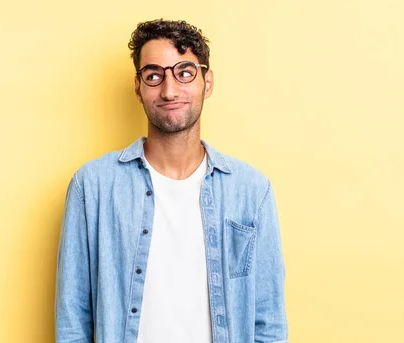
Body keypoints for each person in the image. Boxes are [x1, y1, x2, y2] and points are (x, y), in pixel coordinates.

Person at [55, 19, 288, 343]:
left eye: (184, 72)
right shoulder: (92, 187)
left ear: (207, 82)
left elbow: (269, 321)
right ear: (138, 87)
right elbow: (72, 320)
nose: (169, 90)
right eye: (154, 75)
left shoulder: (250, 190)